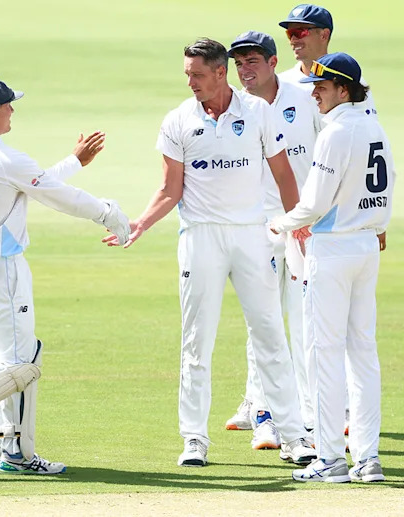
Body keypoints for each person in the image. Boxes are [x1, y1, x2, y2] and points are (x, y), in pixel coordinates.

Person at [103, 38, 316, 467]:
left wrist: (298, 225)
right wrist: (141, 222)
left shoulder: (257, 112)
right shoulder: (178, 120)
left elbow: (284, 173)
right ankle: (194, 439)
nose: (191, 83)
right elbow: (170, 189)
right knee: (197, 341)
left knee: (271, 334)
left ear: (221, 72)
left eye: (198, 75)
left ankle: (294, 436)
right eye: (187, 75)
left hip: (251, 235)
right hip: (200, 237)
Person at [0, 78, 128, 477]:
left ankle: (15, 450)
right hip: (3, 268)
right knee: (19, 365)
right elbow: (58, 195)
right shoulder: (6, 158)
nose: (14, 111)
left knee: (19, 358)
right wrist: (108, 212)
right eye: (10, 106)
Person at [270, 53, 395, 483]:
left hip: (333, 249)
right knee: (363, 354)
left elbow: (314, 204)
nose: (316, 96)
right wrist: (376, 227)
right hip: (365, 247)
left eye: (322, 89)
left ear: (344, 90)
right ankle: (368, 457)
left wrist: (279, 224)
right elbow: (386, 190)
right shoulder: (374, 125)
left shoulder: (336, 131)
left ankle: (331, 459)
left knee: (323, 353)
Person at [222, 31, 321, 448]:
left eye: (252, 62)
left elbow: (324, 156)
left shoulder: (304, 99)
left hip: (303, 226)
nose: (245, 70)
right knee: (262, 322)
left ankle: (309, 415)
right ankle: (264, 414)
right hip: (255, 229)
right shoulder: (233, 109)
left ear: (272, 61)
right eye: (239, 63)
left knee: (304, 322)